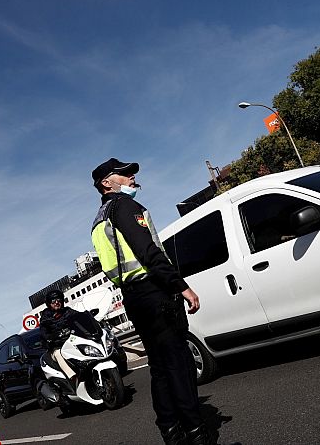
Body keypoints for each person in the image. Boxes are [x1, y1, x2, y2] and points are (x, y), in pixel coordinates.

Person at [90, 158, 213, 445]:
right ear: (107, 183)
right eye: (123, 174)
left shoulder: (98, 220)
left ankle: (171, 432)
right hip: (154, 291)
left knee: (159, 368)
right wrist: (181, 286)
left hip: (133, 298)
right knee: (179, 364)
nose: (131, 176)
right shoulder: (125, 207)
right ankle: (196, 433)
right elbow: (148, 251)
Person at [39, 290, 79, 387]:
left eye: (58, 299)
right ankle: (73, 377)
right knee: (58, 354)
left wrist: (89, 316)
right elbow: (43, 331)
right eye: (53, 301)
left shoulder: (68, 311)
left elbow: (79, 316)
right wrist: (49, 338)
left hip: (71, 341)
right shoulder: (46, 317)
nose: (56, 302)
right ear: (49, 304)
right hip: (57, 346)